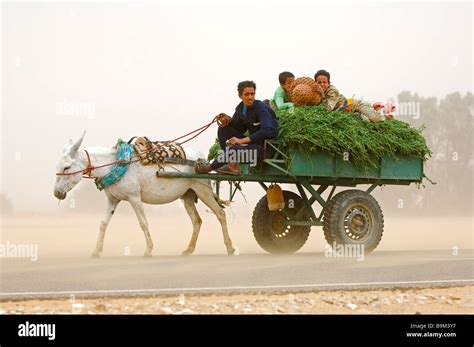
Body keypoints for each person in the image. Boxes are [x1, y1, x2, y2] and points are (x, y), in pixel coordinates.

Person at [195, 81, 279, 175]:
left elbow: (269, 130)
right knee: (223, 128)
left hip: (262, 150)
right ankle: (231, 164)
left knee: (233, 151)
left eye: (252, 94)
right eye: (247, 94)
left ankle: (209, 167)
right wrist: (227, 121)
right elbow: (237, 128)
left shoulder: (261, 108)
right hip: (252, 144)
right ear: (240, 96)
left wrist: (241, 141)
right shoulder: (241, 109)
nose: (250, 97)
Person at [314, 69, 386, 122]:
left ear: (328, 83)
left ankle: (382, 112)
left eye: (324, 82)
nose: (322, 84)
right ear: (315, 83)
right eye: (319, 82)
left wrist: (322, 95)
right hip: (347, 112)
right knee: (365, 121)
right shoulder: (315, 93)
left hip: (354, 105)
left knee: (377, 118)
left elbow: (328, 108)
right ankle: (359, 115)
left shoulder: (332, 90)